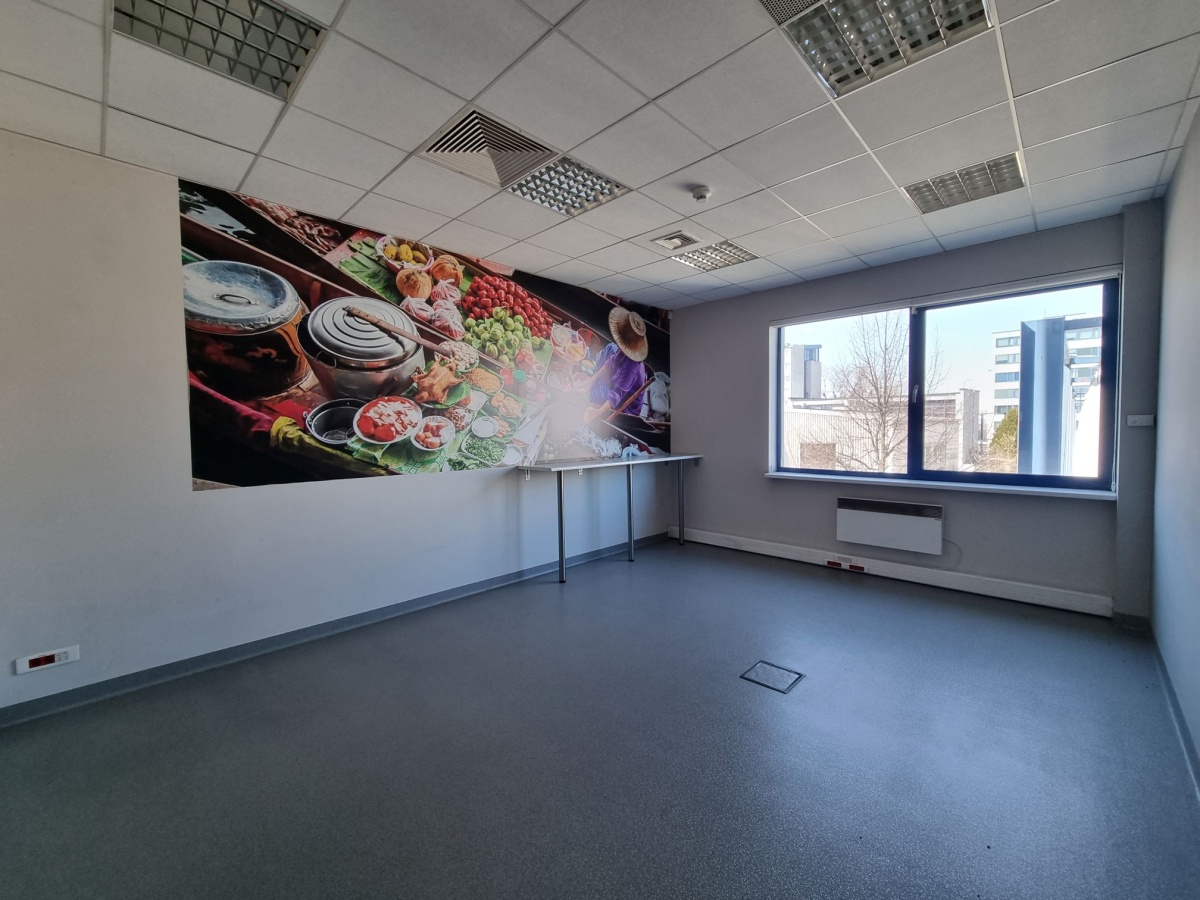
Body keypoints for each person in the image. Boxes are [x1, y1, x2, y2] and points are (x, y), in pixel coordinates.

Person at [585, 307, 649, 422]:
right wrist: (591, 380)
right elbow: (610, 362)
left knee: (597, 393)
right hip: (617, 380)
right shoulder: (624, 349)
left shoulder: (632, 365)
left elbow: (617, 394)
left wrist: (598, 412)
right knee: (611, 347)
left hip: (625, 404)